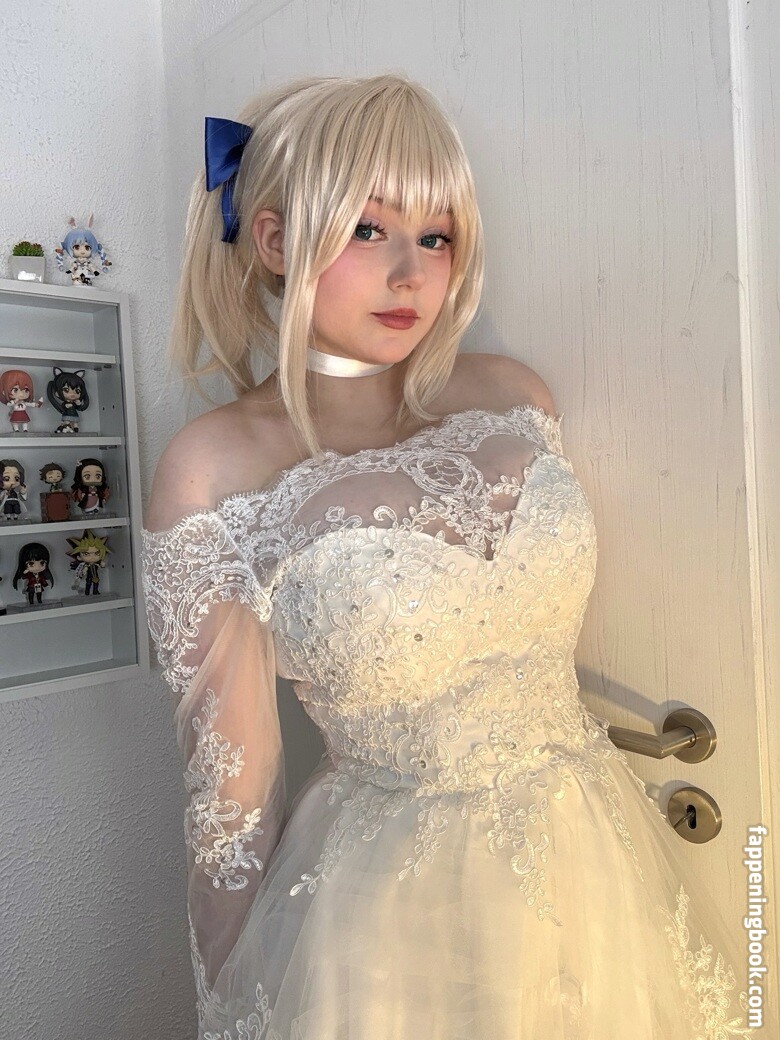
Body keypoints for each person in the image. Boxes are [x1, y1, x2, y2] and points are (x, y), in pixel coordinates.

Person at [140, 74, 754, 1039]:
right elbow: (231, 794)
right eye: (368, 229)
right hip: (388, 916)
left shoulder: (513, 398)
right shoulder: (212, 469)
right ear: (274, 240)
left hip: (594, 866)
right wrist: (231, 1005)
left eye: (436, 236)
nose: (411, 274)